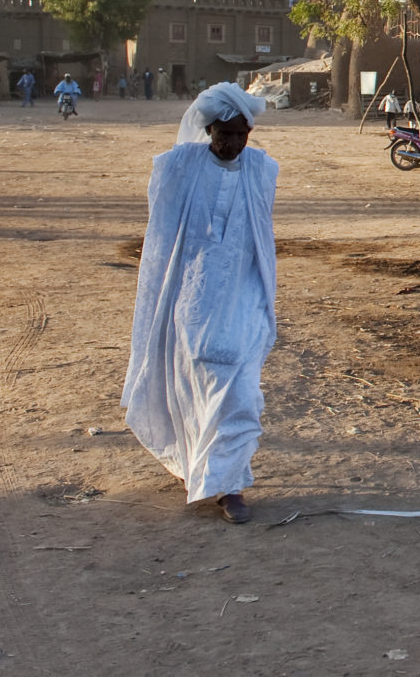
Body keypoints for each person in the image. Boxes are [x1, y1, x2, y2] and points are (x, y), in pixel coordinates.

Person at [122, 82, 276, 525]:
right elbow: (162, 240)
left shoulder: (262, 170)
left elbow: (260, 240)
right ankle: (205, 468)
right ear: (208, 130)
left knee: (241, 393)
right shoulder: (178, 167)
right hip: (193, 301)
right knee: (195, 387)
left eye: (241, 136)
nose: (232, 145)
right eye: (224, 135)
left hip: (244, 297)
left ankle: (230, 487)